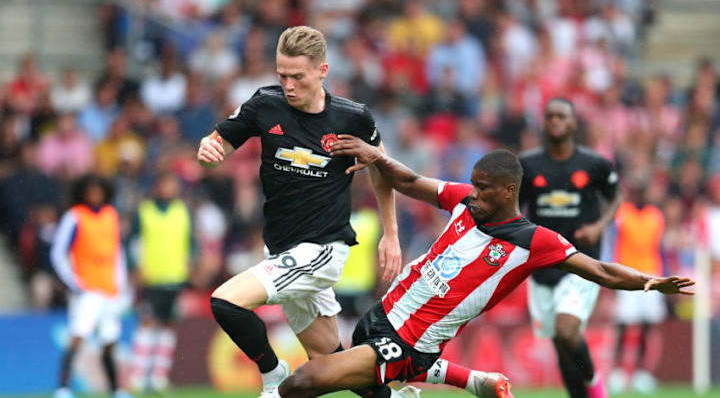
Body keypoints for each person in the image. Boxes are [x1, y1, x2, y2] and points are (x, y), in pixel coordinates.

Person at [269, 139, 694, 398]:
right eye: (473, 184)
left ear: (509, 191)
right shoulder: (463, 202)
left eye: (484, 188)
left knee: (303, 381)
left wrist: (649, 282)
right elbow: (410, 180)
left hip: (409, 343)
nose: (474, 193)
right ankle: (475, 383)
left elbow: (600, 270)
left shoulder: (533, 241)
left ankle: (458, 379)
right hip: (380, 317)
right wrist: (375, 155)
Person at [196, 26, 402, 397]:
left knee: (225, 302)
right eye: (282, 76)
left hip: (322, 249)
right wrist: (207, 151)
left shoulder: (352, 118)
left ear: (322, 71)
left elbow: (383, 169)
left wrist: (391, 234)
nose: (289, 85)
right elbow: (218, 146)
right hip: (282, 249)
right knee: (330, 360)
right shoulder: (265, 104)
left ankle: (273, 374)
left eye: (298, 77)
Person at [518, 98, 621, 398]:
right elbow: (516, 207)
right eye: (549, 116)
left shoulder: (595, 164)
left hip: (581, 261)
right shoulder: (529, 165)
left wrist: (598, 227)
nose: (555, 121)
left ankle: (596, 386)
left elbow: (615, 198)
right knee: (561, 344)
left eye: (562, 116)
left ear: (574, 123)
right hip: (543, 264)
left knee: (566, 331)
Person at [50, 175, 132, 398]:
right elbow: (58, 252)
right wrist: (74, 283)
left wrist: (122, 285)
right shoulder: (74, 217)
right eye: (90, 191)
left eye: (98, 191)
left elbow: (117, 253)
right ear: (82, 193)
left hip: (109, 290)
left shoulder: (111, 215)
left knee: (110, 341)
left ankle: (116, 390)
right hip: (86, 290)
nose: (95, 195)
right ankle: (63, 388)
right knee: (77, 336)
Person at [128, 172, 193, 392]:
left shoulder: (183, 211)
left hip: (176, 278)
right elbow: (134, 242)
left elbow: (190, 242)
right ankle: (138, 376)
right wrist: (135, 267)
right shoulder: (144, 211)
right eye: (166, 184)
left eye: (173, 184)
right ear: (157, 186)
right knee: (147, 323)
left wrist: (192, 262)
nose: (169, 189)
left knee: (168, 326)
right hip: (151, 277)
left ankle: (159, 377)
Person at [608, 171, 666, 394]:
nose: (638, 194)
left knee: (646, 326)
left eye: (641, 190)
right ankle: (618, 372)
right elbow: (614, 243)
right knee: (624, 325)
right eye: (635, 190)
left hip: (651, 273)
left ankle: (641, 372)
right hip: (628, 273)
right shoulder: (623, 214)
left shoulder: (655, 215)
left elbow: (658, 247)